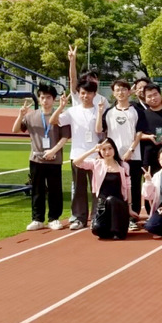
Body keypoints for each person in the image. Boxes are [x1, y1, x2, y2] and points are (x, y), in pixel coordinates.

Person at [12, 85, 70, 231]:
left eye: (48, 97)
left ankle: (54, 218)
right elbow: (15, 130)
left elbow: (65, 137)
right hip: (36, 159)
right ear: (39, 99)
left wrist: (53, 150)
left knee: (55, 189)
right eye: (42, 97)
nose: (45, 101)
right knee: (37, 189)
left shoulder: (60, 116)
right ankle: (37, 219)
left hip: (54, 158)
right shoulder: (31, 116)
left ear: (54, 99)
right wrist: (20, 115)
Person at [50, 79, 100, 231]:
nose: (85, 96)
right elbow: (53, 121)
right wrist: (61, 107)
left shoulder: (99, 110)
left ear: (94, 94)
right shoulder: (72, 111)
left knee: (96, 189)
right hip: (78, 155)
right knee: (79, 188)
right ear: (78, 94)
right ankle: (79, 218)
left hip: (96, 156)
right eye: (83, 93)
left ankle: (97, 217)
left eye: (89, 93)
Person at [97, 79, 145, 231]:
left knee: (134, 187)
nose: (121, 92)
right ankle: (115, 215)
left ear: (129, 91)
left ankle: (132, 217)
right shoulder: (109, 112)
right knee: (116, 187)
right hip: (113, 157)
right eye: (117, 90)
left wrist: (131, 150)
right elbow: (100, 130)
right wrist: (99, 113)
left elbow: (139, 132)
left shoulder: (136, 111)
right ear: (113, 93)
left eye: (124, 89)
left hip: (133, 156)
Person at [73, 139, 132, 240]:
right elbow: (76, 162)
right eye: (103, 149)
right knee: (97, 229)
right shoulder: (96, 164)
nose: (107, 152)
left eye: (110, 148)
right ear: (100, 151)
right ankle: (109, 228)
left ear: (114, 149)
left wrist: (129, 208)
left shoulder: (123, 166)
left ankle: (117, 230)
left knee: (111, 200)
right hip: (102, 205)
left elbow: (128, 187)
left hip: (118, 204)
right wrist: (93, 150)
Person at [66, 44, 108, 108]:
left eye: (94, 79)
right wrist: (72, 61)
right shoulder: (78, 94)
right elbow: (73, 79)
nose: (92, 81)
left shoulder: (102, 100)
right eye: (89, 79)